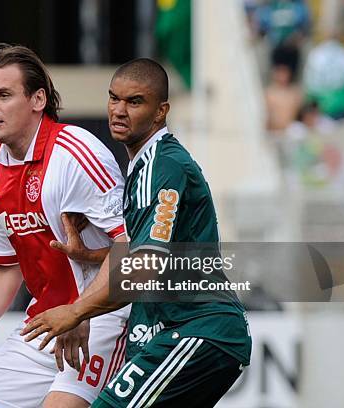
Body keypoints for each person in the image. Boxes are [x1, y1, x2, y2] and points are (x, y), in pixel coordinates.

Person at [22, 59, 252, 407]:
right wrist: (94, 255)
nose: (118, 110)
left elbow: (145, 268)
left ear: (161, 111)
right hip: (185, 331)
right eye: (114, 98)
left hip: (197, 327)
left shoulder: (162, 165)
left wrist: (76, 311)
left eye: (134, 102)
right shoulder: (146, 165)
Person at [0, 43, 129, 408]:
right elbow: (6, 267)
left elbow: (129, 248)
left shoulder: (76, 154)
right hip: (46, 321)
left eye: (4, 95)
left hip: (104, 318)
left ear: (38, 100)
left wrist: (81, 310)